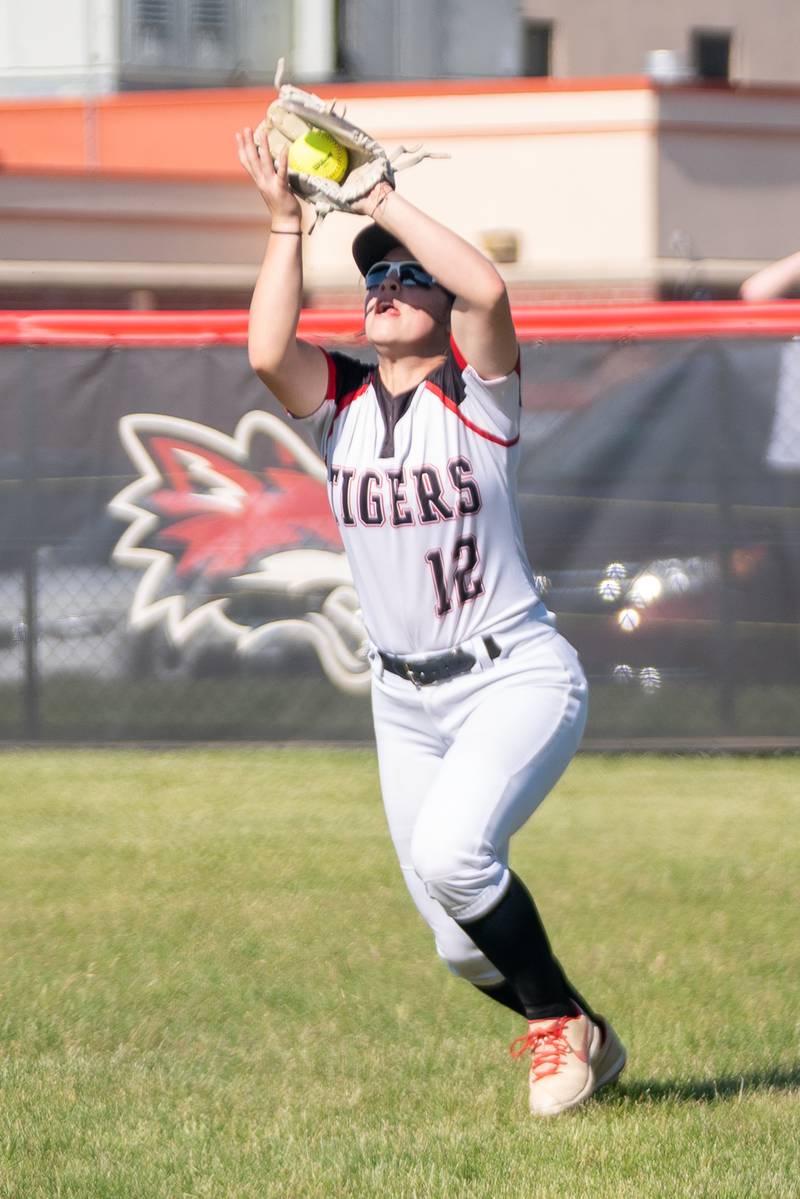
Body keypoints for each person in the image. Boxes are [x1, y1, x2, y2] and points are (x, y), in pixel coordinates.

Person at [235, 126, 626, 1117]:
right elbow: (266, 351)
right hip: (402, 697)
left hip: (512, 672)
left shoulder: (476, 395)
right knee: (457, 938)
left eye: (412, 278)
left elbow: (490, 294)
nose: (388, 286)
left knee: (457, 857)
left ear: (442, 306)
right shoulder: (346, 402)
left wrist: (380, 200)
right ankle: (576, 1020)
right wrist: (286, 222)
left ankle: (551, 1026)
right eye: (375, 280)